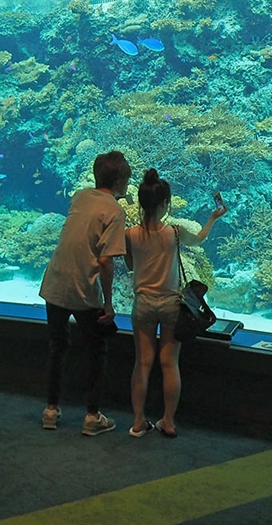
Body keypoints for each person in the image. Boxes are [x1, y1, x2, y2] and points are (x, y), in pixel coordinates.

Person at [123, 169, 227, 438]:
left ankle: (137, 421)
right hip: (171, 304)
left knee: (142, 363)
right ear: (165, 204)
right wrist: (213, 217)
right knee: (170, 364)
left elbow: (130, 265)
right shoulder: (175, 233)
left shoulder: (130, 234)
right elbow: (201, 237)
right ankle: (168, 421)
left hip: (143, 304)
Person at [38, 150, 131, 436]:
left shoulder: (79, 196)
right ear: (119, 182)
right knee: (97, 349)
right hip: (83, 287)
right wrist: (108, 303)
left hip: (54, 281)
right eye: (126, 179)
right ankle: (92, 416)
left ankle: (51, 410)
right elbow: (105, 260)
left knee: (57, 347)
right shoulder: (115, 211)